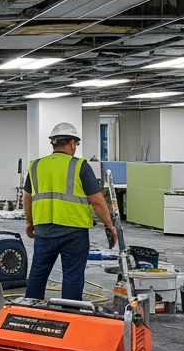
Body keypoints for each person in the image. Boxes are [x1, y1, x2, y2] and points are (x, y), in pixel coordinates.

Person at [21, 122, 118, 302]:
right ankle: (70, 313)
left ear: (53, 143)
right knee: (72, 276)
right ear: (72, 143)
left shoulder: (36, 165)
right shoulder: (79, 165)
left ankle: (30, 310)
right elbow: (97, 202)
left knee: (38, 273)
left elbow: (27, 197)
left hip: (44, 231)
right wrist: (109, 225)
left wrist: (30, 222)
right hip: (74, 231)